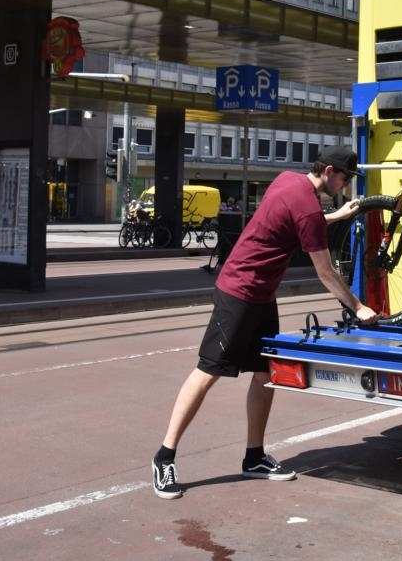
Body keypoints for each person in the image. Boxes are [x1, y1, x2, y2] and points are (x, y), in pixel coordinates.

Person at [152, 145, 378, 499]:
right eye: (345, 179)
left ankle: (254, 457)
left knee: (264, 373)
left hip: (262, 295)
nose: (345, 187)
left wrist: (335, 217)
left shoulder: (288, 180)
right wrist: (358, 306)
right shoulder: (307, 206)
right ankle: (164, 457)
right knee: (208, 371)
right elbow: (325, 272)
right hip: (239, 291)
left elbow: (298, 218)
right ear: (330, 170)